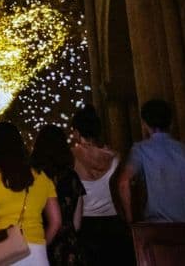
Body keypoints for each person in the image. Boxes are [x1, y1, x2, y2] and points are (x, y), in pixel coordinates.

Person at [0, 122, 62, 266]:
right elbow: (56, 221)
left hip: (1, 248)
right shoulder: (41, 177)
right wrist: (41, 243)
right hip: (37, 252)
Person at [117, 99, 185, 223]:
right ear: (171, 123)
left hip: (160, 229)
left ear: (144, 124)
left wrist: (129, 219)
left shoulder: (141, 150)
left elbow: (123, 182)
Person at [71, 104, 133, 266]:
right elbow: (122, 189)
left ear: (77, 132)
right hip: (113, 223)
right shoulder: (115, 156)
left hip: (85, 224)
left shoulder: (71, 158)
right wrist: (129, 219)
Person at [31, 124, 86, 266]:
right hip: (68, 249)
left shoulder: (34, 178)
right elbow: (77, 223)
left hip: (39, 246)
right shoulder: (72, 178)